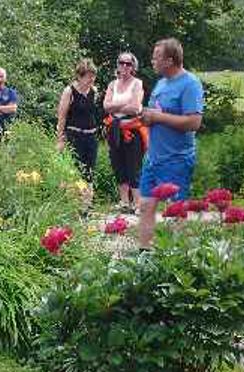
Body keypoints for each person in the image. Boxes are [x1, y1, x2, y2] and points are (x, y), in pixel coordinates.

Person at [139, 38, 204, 249]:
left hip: (176, 160)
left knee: (176, 211)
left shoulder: (190, 84)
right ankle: (143, 256)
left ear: (169, 60)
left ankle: (177, 259)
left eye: (156, 57)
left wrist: (158, 118)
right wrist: (145, 116)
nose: (152, 60)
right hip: (153, 158)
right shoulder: (161, 83)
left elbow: (194, 122)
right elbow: (156, 112)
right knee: (145, 206)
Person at [103, 52, 146, 214]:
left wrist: (115, 105)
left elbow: (135, 108)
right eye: (122, 63)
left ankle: (138, 203)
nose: (125, 66)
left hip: (132, 130)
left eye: (128, 64)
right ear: (118, 65)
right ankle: (124, 202)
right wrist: (123, 104)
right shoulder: (112, 85)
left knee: (133, 166)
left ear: (133, 67)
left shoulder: (137, 84)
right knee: (118, 164)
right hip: (114, 128)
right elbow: (105, 106)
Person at [56, 59, 99, 183]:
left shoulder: (94, 91)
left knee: (89, 172)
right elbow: (62, 117)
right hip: (74, 136)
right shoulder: (69, 91)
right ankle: (73, 200)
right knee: (73, 170)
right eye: (88, 76)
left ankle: (87, 201)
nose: (91, 80)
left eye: (93, 76)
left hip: (91, 136)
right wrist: (60, 139)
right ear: (79, 76)